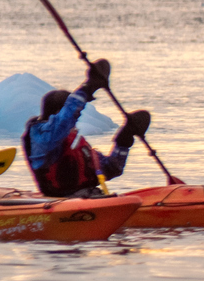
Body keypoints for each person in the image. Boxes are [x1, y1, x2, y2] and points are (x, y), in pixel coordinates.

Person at [23, 58, 150, 198]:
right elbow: (63, 122)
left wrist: (124, 141)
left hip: (89, 197)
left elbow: (111, 169)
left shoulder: (76, 143)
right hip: (61, 201)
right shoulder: (42, 138)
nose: (76, 119)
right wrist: (87, 88)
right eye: (74, 114)